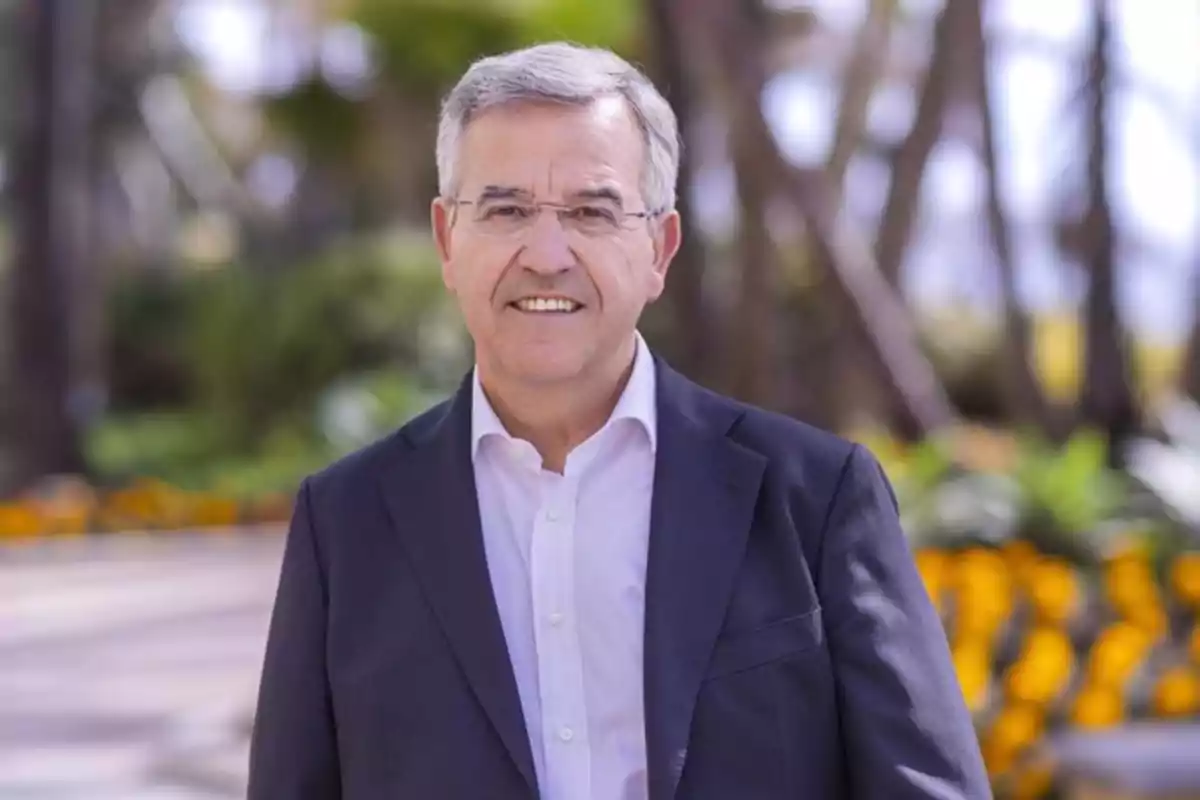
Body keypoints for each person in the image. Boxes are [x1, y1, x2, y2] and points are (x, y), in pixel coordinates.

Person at [247, 41, 990, 800]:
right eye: (505, 210)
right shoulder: (345, 525)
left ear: (659, 248)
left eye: (590, 212)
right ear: (446, 239)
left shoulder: (818, 500)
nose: (545, 253)